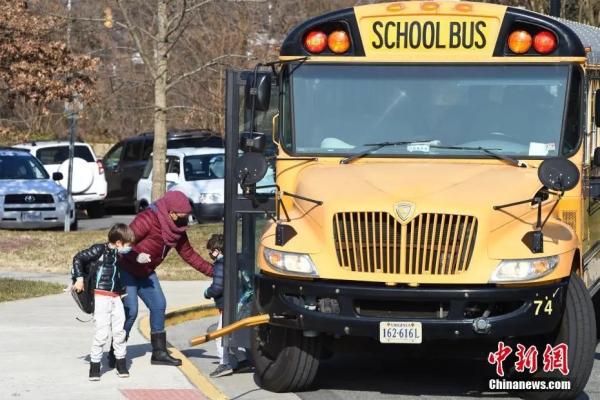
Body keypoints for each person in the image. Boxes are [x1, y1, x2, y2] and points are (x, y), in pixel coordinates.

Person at [118, 190, 213, 366]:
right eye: (184, 216)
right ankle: (116, 351)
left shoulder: (177, 229)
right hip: (127, 269)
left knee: (159, 305)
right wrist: (136, 257)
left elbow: (189, 255)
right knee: (131, 311)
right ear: (171, 213)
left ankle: (159, 353)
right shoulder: (147, 219)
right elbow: (123, 242)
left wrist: (214, 271)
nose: (187, 219)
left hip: (146, 271)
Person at [72, 223, 139, 381]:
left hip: (116, 297)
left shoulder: (118, 255)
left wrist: (121, 292)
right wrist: (79, 279)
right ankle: (94, 366)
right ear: (118, 243)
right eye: (127, 244)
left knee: (119, 332)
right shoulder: (99, 249)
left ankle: (121, 364)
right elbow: (78, 258)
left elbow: (116, 275)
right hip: (101, 297)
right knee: (102, 333)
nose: (129, 248)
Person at [204, 234, 249, 377]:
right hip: (239, 303)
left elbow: (217, 287)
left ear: (217, 250)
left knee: (220, 335)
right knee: (232, 333)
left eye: (211, 251)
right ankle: (243, 361)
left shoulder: (219, 265)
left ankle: (224, 363)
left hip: (227, 305)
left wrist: (207, 292)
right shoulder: (235, 261)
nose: (210, 254)